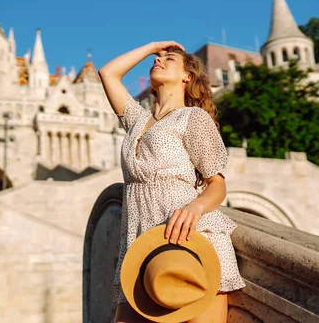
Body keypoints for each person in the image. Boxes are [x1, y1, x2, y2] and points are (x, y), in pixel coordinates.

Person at [99, 41, 245, 323]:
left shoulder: (193, 117)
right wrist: (152, 47)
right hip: (139, 241)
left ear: (186, 76)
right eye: (157, 58)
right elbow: (108, 74)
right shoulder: (137, 120)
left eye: (170, 59)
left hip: (190, 235)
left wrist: (196, 208)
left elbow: (216, 182)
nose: (158, 60)